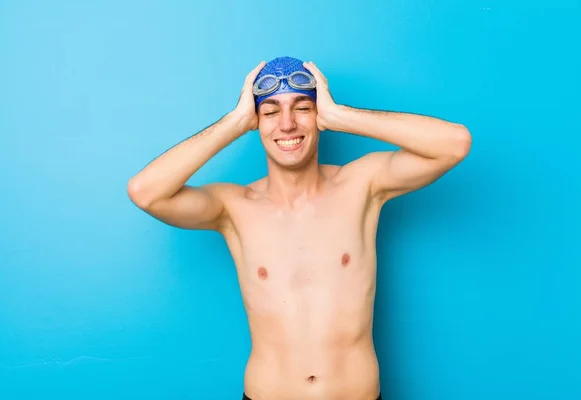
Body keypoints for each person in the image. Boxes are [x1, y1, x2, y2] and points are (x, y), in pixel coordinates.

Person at [127, 56, 471, 400]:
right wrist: (234, 122)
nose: (287, 124)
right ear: (255, 121)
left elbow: (454, 143)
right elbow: (146, 192)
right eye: (271, 111)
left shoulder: (362, 185)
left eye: (302, 108)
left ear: (318, 115)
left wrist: (340, 116)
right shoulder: (233, 208)